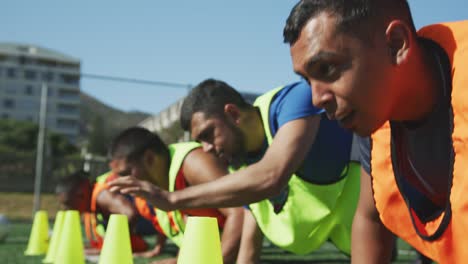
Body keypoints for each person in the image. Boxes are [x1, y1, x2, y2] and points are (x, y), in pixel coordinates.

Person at [283, 0, 465, 263]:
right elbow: (370, 218)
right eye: (307, 80)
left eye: (327, 68)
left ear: (396, 44)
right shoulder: (376, 118)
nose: (316, 99)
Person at [109, 79, 361, 263]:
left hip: (383, 223)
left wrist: (172, 200)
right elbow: (250, 243)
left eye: (208, 134)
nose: (206, 149)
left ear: (232, 113)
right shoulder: (239, 164)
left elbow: (272, 175)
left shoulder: (294, 101)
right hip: (355, 242)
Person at [107, 127, 243, 264]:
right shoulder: (153, 192)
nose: (121, 181)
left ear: (149, 158)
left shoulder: (193, 162)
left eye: (125, 173)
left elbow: (240, 212)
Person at [56, 169, 165, 257]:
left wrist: (112, 245)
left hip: (156, 213)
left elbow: (130, 213)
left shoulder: (101, 196)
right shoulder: (94, 200)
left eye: (68, 204)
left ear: (81, 194)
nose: (67, 209)